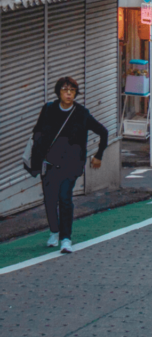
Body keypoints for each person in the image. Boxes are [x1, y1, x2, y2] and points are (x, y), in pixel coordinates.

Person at [30, 76, 108, 254]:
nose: (68, 93)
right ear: (58, 92)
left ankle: (66, 239)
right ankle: (54, 232)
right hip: (49, 163)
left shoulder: (81, 113)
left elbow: (103, 132)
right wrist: (37, 155)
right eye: (65, 90)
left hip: (71, 164)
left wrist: (99, 155)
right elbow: (37, 132)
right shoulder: (49, 109)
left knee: (65, 198)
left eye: (72, 90)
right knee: (50, 200)